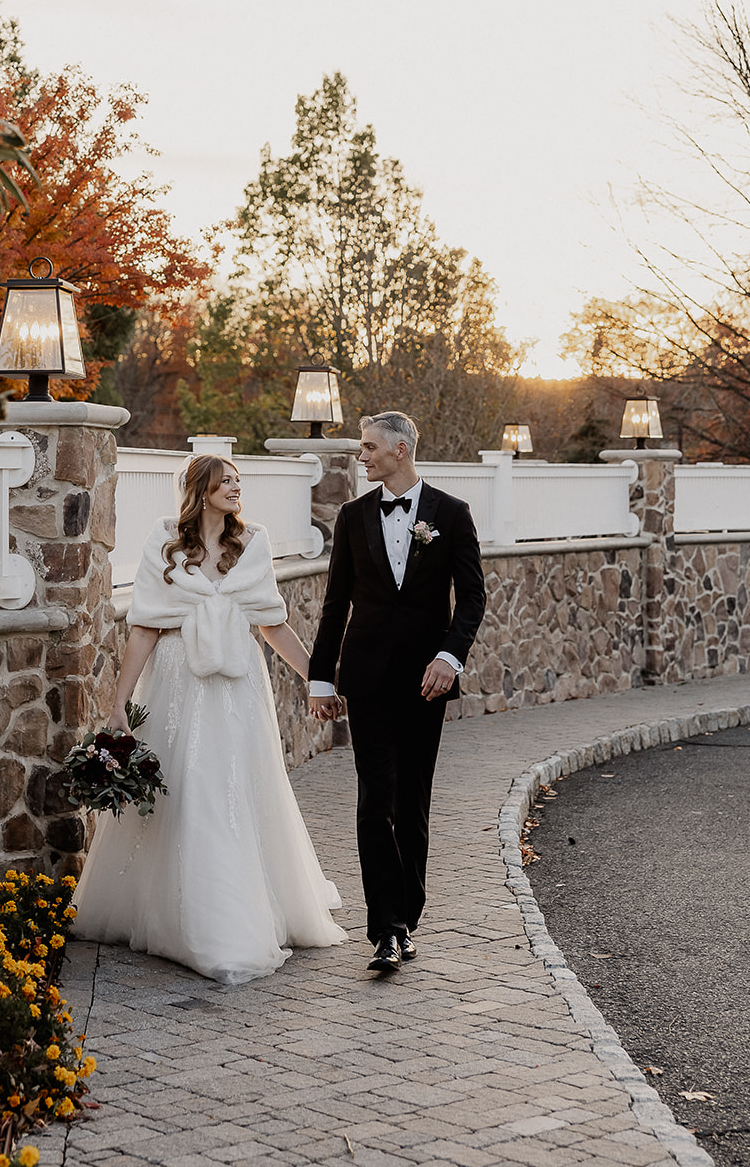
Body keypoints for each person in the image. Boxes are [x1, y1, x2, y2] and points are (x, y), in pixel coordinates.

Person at [73, 455, 347, 985]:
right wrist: (117, 705)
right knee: (187, 788)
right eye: (226, 483)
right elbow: (144, 630)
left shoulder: (256, 543)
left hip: (238, 687)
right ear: (200, 491)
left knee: (238, 789)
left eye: (239, 482)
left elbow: (273, 624)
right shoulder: (164, 541)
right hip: (179, 685)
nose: (237, 489)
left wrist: (319, 679)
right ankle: (187, 916)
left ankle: (242, 908)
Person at [308, 411, 486, 973]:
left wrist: (449, 658)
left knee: (412, 800)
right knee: (373, 798)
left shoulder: (451, 515)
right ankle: (384, 927)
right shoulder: (353, 515)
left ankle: (408, 915)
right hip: (366, 679)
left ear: (401, 450)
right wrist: (320, 678)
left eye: (369, 447)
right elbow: (335, 604)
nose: (361, 456)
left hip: (426, 683)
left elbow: (473, 599)